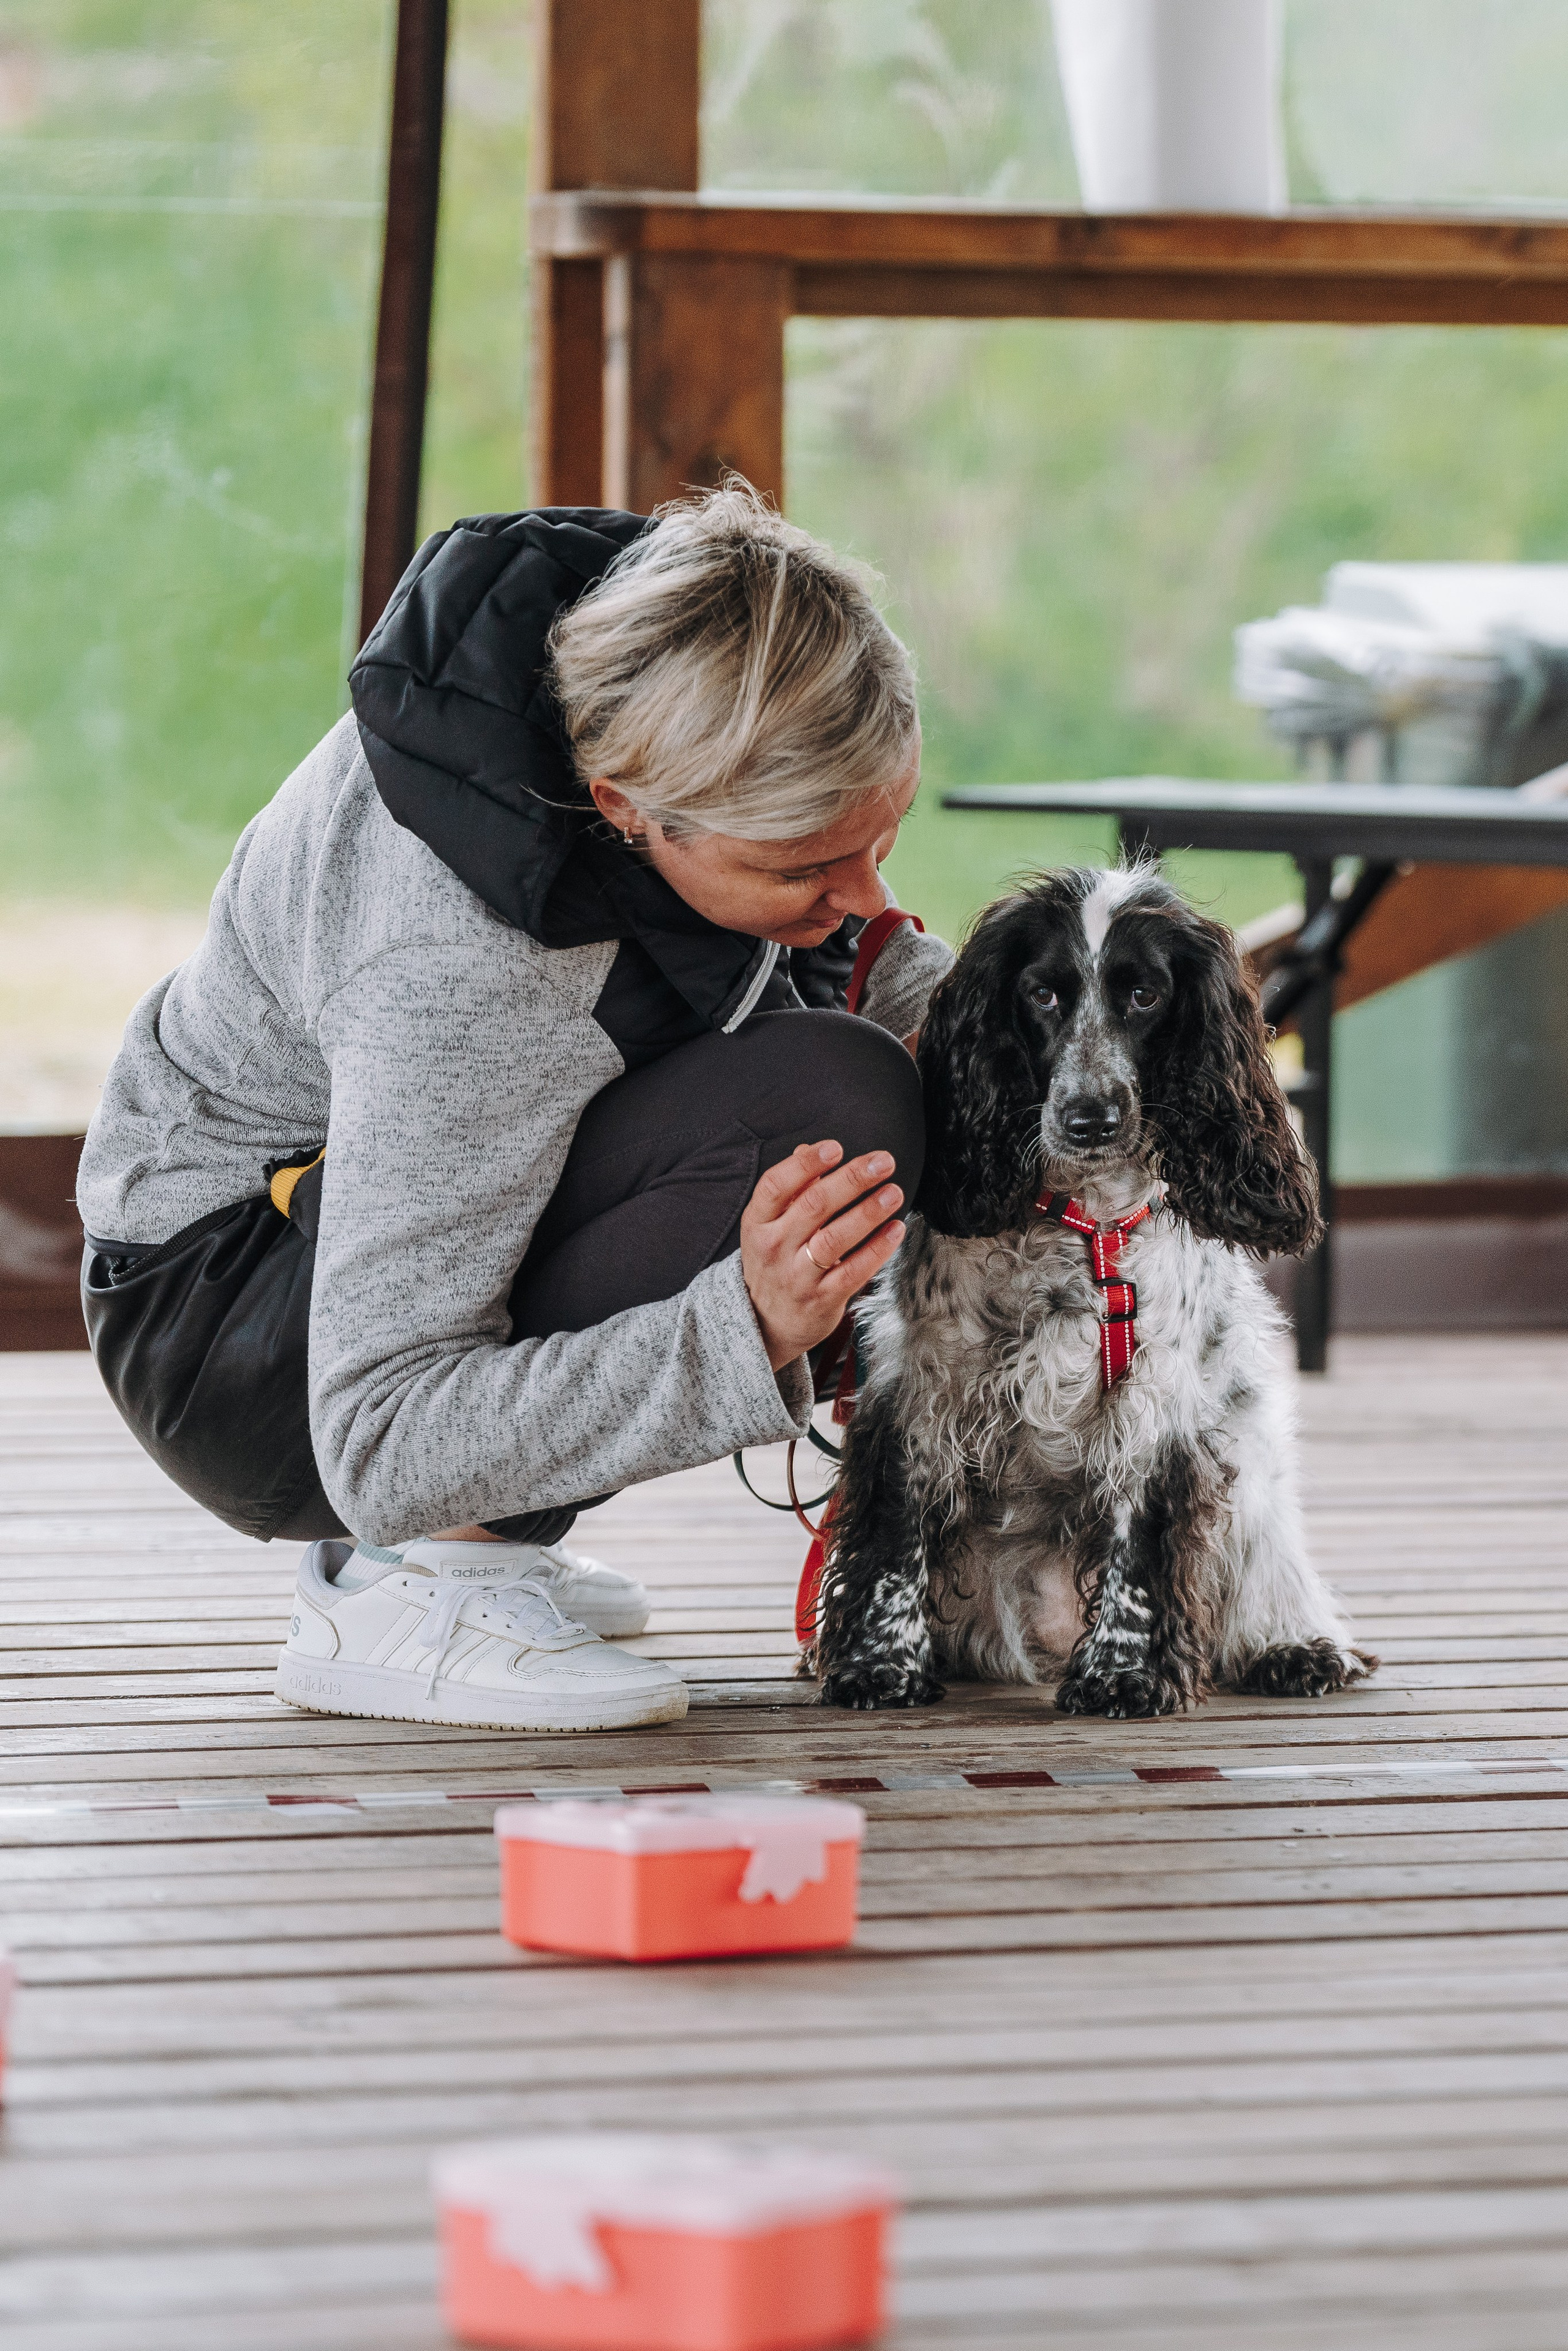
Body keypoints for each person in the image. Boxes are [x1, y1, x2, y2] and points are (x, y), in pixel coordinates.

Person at [77, 483, 952, 1734]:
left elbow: (816, 953)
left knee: (869, 1073)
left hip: (356, 1226)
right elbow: (377, 1429)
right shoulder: (463, 969)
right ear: (623, 808)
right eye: (804, 864)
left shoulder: (661, 654)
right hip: (247, 1343)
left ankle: (485, 1530)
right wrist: (744, 1323)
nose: (864, 893)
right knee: (827, 1107)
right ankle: (405, 1582)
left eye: (881, 833)